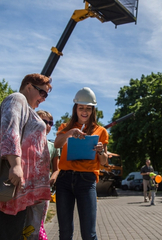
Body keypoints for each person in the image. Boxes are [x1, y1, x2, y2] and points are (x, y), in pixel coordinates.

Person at [0, 73, 52, 240]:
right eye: (43, 93)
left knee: (16, 232)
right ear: (29, 86)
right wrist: (16, 165)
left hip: (22, 186)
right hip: (13, 182)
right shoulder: (17, 99)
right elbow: (10, 131)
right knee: (7, 232)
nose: (44, 98)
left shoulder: (28, 108)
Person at [54, 87, 109, 240]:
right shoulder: (65, 127)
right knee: (64, 233)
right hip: (64, 180)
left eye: (88, 108)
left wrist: (100, 151)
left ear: (93, 110)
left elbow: (104, 162)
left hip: (86, 181)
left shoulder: (101, 131)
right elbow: (57, 144)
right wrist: (70, 133)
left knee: (89, 233)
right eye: (81, 108)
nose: (84, 111)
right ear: (75, 109)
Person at [36, 110, 60, 240]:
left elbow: (56, 169)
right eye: (45, 121)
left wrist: (51, 180)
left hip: (43, 190)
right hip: (25, 188)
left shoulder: (53, 146)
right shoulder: (26, 141)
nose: (48, 125)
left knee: (39, 222)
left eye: (51, 123)